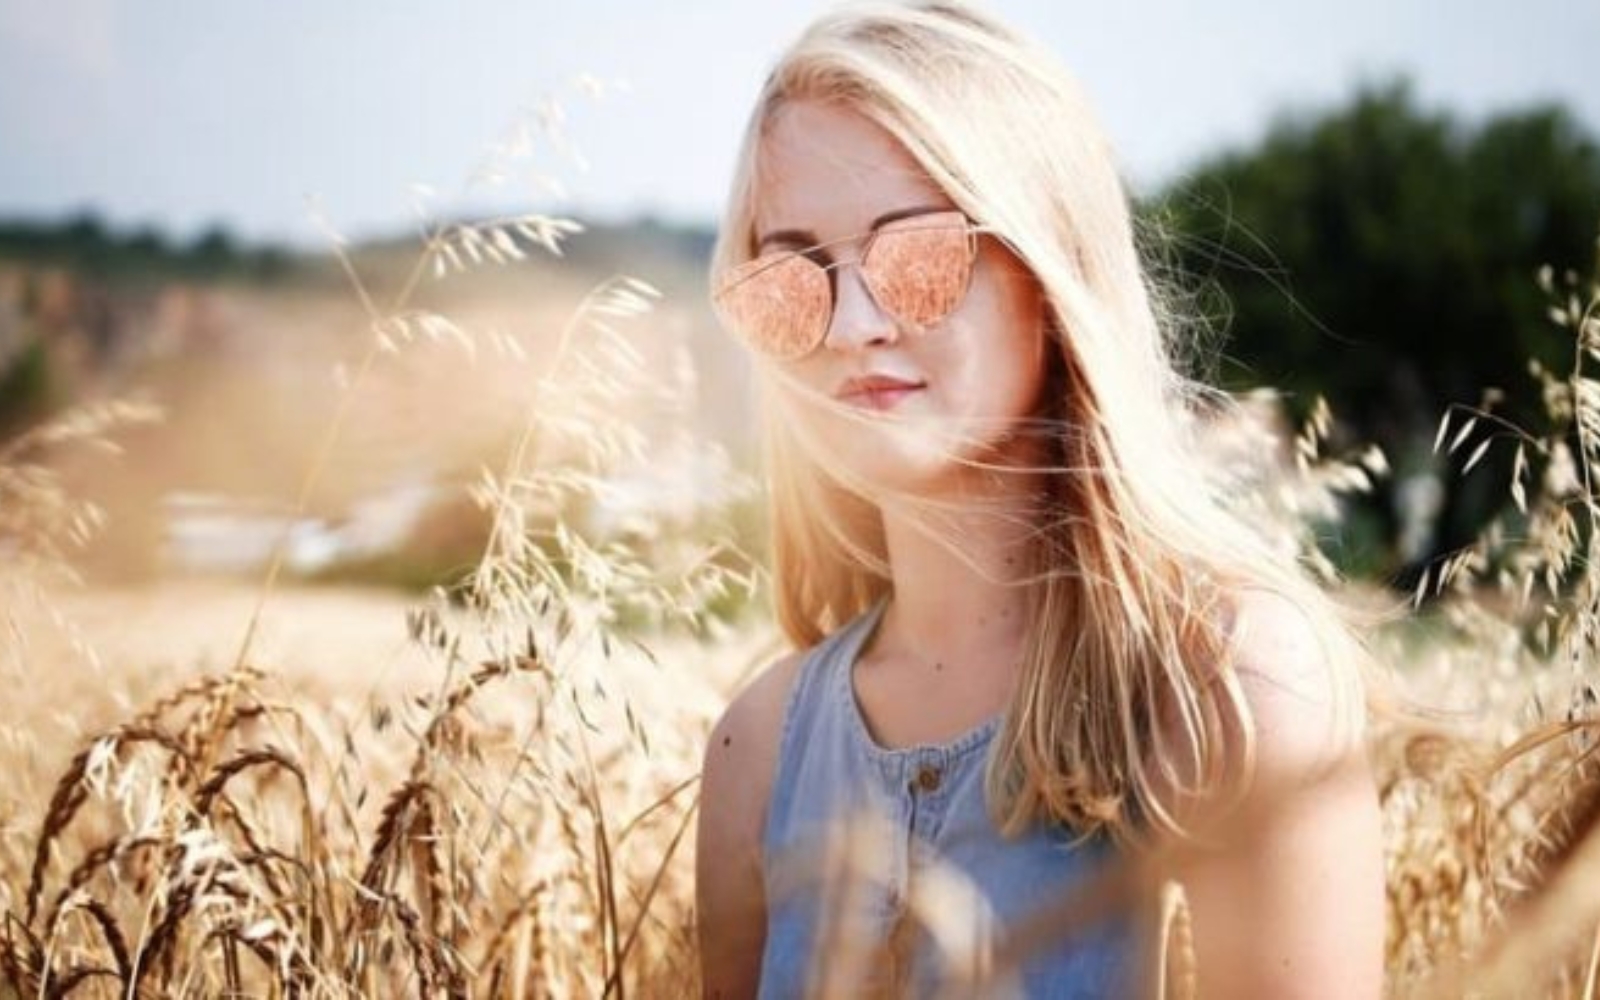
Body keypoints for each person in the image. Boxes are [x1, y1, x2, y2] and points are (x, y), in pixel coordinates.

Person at [695, 2, 1386, 997]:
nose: (850, 323)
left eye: (918, 254)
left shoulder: (1230, 688)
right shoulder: (756, 749)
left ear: (1050, 271)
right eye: (791, 275)